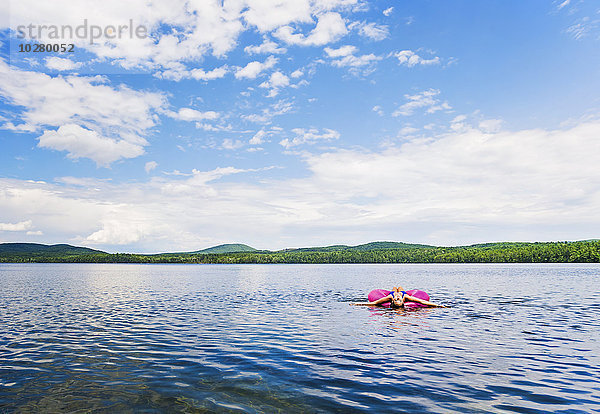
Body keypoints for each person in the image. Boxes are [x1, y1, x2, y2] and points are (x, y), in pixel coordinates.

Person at [352, 286, 446, 308]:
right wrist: (438, 306)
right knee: (400, 288)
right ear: (402, 301)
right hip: (403, 292)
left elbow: (373, 303)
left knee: (394, 288)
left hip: (391, 292)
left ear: (392, 301)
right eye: (398, 300)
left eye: (396, 299)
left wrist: (357, 304)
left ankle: (394, 289)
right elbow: (423, 302)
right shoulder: (405, 297)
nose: (397, 298)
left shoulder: (390, 297)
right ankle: (399, 288)